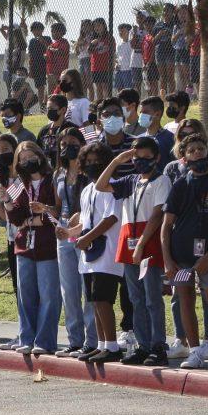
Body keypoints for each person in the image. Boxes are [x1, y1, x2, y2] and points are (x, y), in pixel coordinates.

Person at [160, 133, 208, 369]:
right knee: (185, 299)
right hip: (180, 253)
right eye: (191, 150)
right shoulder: (181, 183)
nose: (197, 153)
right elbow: (166, 226)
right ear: (184, 157)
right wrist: (168, 260)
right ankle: (194, 351)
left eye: (200, 148)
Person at [96, 136, 171, 366]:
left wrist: (141, 244)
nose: (141, 161)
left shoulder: (161, 181)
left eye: (146, 158)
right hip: (129, 241)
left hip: (148, 243)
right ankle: (142, 344)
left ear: (156, 157)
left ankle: (158, 345)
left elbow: (157, 214)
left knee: (152, 298)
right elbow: (101, 185)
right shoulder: (130, 180)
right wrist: (118, 160)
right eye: (137, 157)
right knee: (135, 298)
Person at [68, 142, 125, 363]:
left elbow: (112, 217)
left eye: (97, 161)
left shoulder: (112, 186)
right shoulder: (86, 190)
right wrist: (70, 232)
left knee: (103, 299)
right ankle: (101, 344)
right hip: (89, 253)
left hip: (107, 250)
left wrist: (88, 237)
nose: (93, 165)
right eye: (88, 162)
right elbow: (85, 221)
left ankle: (112, 345)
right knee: (93, 300)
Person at [5, 141, 61, 354]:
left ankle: (44, 341)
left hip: (47, 246)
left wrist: (41, 215)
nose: (28, 161)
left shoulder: (52, 180)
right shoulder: (20, 183)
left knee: (48, 295)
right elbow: (17, 218)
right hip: (24, 246)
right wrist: (7, 202)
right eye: (23, 158)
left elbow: (57, 213)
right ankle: (26, 338)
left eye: (31, 156)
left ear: (40, 156)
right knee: (25, 295)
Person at [52, 128, 97, 357]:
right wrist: (47, 211)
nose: (67, 147)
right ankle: (74, 339)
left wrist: (79, 217)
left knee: (88, 290)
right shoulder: (58, 173)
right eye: (63, 143)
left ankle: (92, 340)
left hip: (84, 234)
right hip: (64, 236)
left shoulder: (88, 173)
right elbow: (59, 207)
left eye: (72, 143)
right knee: (69, 290)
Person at [137, 95, 175, 169]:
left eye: (145, 112)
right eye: (140, 112)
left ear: (157, 114)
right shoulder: (139, 138)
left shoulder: (170, 138)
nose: (141, 115)